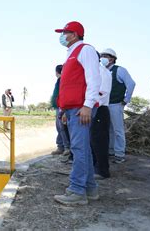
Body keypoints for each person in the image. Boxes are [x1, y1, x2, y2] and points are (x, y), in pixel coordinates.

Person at [53, 21, 101, 206]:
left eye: (64, 33)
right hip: (73, 108)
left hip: (82, 108)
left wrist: (88, 105)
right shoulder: (71, 54)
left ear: (73, 34)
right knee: (83, 149)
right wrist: (65, 109)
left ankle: (76, 191)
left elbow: (93, 78)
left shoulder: (85, 50)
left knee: (79, 149)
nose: (62, 36)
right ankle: (89, 188)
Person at [100, 48, 136, 164]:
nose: (103, 57)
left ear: (112, 59)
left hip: (115, 104)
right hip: (104, 104)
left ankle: (120, 154)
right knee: (109, 129)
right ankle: (111, 151)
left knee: (118, 130)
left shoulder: (119, 70)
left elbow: (131, 84)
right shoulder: (102, 70)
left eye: (106, 55)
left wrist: (126, 100)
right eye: (102, 55)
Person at [91, 52, 112, 179]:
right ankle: (95, 167)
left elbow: (101, 93)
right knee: (94, 141)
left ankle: (102, 171)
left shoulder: (101, 71)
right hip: (96, 109)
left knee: (99, 142)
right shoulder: (96, 70)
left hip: (99, 109)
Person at [51, 64, 70, 156]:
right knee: (59, 128)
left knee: (62, 127)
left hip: (61, 107)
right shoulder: (59, 80)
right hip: (58, 107)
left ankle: (66, 147)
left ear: (56, 72)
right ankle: (60, 146)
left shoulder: (63, 79)